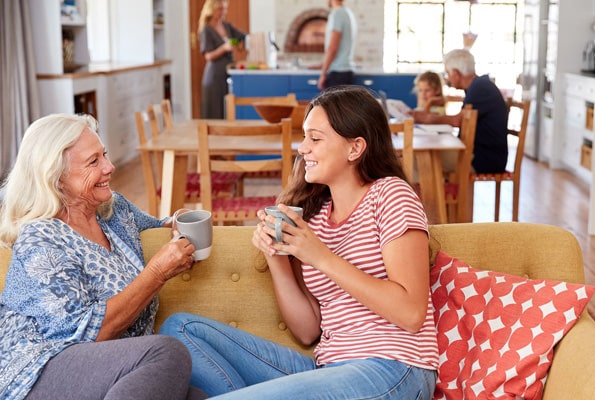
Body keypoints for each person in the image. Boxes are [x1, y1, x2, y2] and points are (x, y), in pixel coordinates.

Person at [159, 85, 439, 399]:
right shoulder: (316, 217)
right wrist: (277, 257)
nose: (302, 148)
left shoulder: (390, 194)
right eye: (304, 136)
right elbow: (308, 331)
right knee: (180, 332)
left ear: (355, 148)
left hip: (393, 369)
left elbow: (411, 313)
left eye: (315, 138)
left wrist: (319, 256)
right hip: (330, 369)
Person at [0, 114, 206, 399]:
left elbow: (158, 227)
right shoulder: (41, 239)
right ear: (55, 176)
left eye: (104, 155)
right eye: (93, 161)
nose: (110, 167)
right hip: (40, 369)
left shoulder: (113, 209)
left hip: (110, 368)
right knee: (166, 352)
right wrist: (157, 273)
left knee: (194, 395)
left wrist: (177, 222)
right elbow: (87, 336)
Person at [410, 49, 508, 173]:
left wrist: (427, 118)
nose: (447, 79)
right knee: (421, 155)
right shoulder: (478, 86)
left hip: (483, 159)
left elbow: (457, 121)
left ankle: (431, 193)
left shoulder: (480, 88)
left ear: (456, 73)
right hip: (477, 154)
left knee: (416, 158)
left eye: (447, 74)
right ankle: (438, 192)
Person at [198, 0, 246, 119]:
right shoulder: (206, 29)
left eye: (225, 8)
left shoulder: (226, 26)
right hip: (214, 77)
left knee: (227, 111)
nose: (223, 12)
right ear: (211, 9)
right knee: (215, 112)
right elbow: (208, 56)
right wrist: (224, 48)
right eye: (220, 9)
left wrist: (241, 45)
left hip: (227, 74)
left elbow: (243, 37)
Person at [316, 0, 357, 90]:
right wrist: (323, 65)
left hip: (338, 74)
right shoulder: (347, 13)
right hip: (346, 72)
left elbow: (333, 48)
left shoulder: (337, 14)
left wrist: (323, 74)